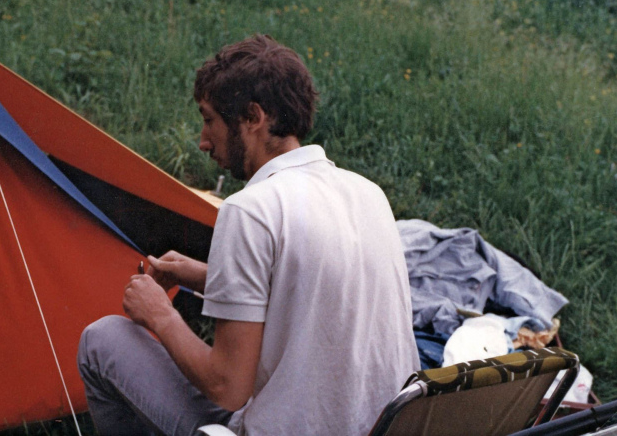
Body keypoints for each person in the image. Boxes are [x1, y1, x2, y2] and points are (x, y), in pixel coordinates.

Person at [77, 34, 419, 435]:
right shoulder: (367, 193)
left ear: (253, 118)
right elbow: (311, 292)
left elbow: (227, 387)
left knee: (102, 340)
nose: (204, 142)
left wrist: (161, 315)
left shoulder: (249, 210)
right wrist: (209, 275)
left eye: (209, 120)